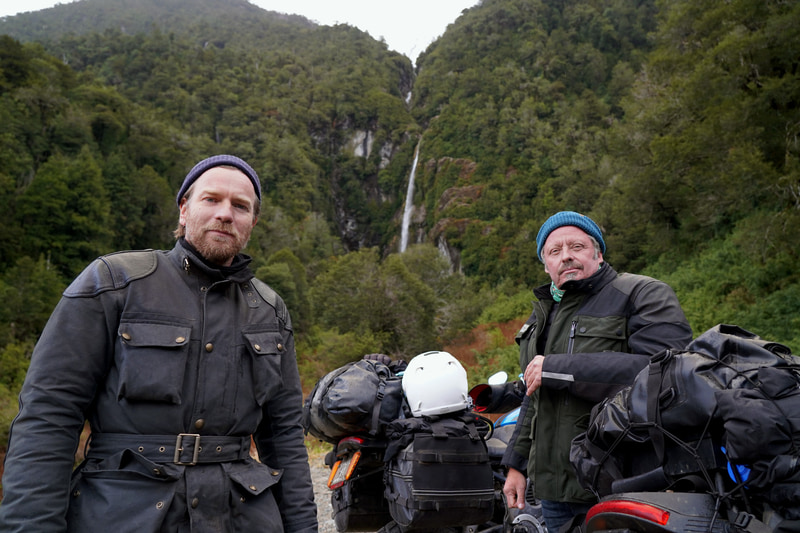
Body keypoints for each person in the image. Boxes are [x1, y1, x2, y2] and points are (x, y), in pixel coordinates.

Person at [0, 155, 318, 533]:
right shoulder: (113, 283)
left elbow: (284, 438)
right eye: (211, 199)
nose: (225, 214)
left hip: (241, 518)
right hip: (120, 516)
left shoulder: (270, 311)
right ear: (184, 209)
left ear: (252, 222)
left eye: (240, 206)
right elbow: (49, 414)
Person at [501, 211, 692, 532]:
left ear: (598, 253)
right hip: (555, 488)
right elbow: (535, 395)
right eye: (555, 251)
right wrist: (516, 465)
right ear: (545, 264)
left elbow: (668, 370)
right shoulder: (543, 316)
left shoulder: (641, 293)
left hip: (625, 481)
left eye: (577, 246)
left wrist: (558, 368)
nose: (567, 256)